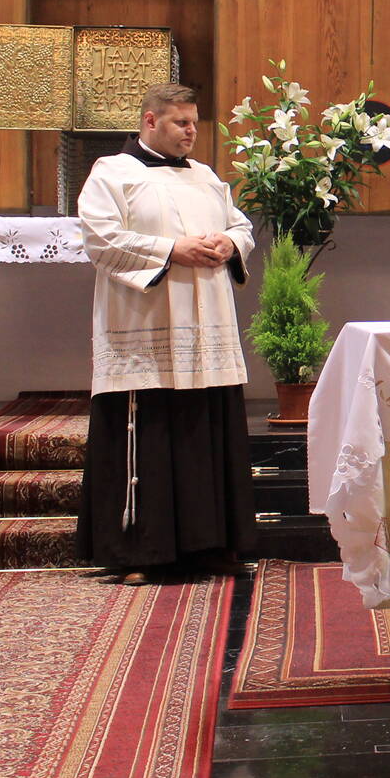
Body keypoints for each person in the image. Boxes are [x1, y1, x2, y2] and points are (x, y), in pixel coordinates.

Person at [76, 83, 255, 585]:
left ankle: (210, 545)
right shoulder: (113, 172)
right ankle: (142, 550)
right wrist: (172, 250)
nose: (191, 132)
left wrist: (228, 243)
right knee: (149, 434)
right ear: (150, 121)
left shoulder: (205, 176)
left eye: (194, 122)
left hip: (206, 328)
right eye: (181, 122)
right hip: (144, 325)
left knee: (204, 431)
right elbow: (100, 237)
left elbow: (241, 226)